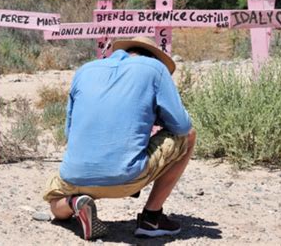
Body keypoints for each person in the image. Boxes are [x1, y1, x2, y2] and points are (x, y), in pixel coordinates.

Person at [43, 36, 196, 240]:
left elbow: (69, 133)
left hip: (75, 175)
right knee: (189, 136)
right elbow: (182, 126)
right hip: (126, 176)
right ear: (154, 58)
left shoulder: (85, 70)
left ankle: (73, 203)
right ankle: (152, 218)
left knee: (54, 201)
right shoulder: (155, 70)